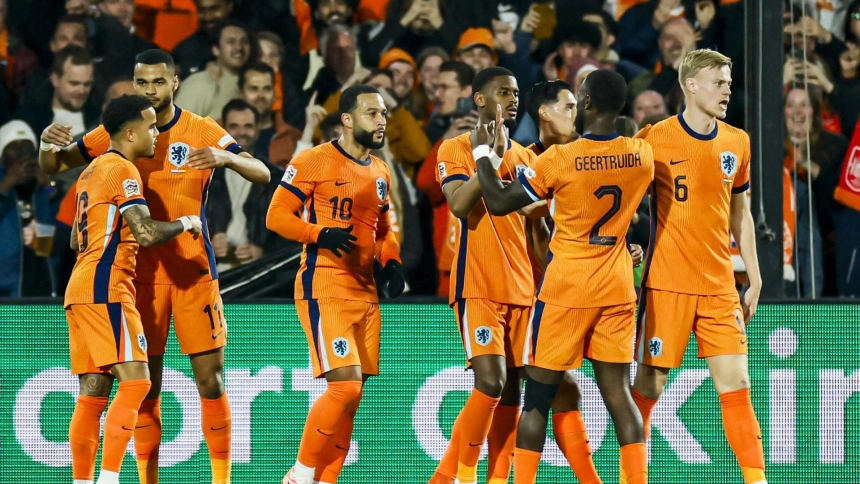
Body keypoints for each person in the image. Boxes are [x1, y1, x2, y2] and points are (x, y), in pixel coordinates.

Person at [38, 49, 270, 484]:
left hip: (193, 275)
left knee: (210, 382)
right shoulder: (120, 133)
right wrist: (48, 147)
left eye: (158, 83)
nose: (150, 90)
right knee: (145, 389)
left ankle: (221, 479)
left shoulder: (201, 130)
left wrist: (227, 158)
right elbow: (57, 164)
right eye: (142, 83)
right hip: (136, 278)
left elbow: (262, 172)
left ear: (175, 83)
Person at [472, 69, 653, 484]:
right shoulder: (641, 156)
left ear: (587, 102)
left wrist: (483, 155)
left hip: (567, 288)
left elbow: (499, 202)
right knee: (620, 398)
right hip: (619, 286)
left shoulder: (559, 158)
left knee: (536, 400)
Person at [630, 49, 766, 484]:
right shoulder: (654, 139)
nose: (727, 89)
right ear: (691, 85)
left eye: (729, 82)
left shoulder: (737, 142)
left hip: (719, 286)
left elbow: (740, 213)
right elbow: (626, 204)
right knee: (649, 388)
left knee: (737, 385)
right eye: (718, 81)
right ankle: (632, 477)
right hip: (666, 284)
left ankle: (756, 479)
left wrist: (754, 275)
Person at [266, 84, 405, 484]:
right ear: (346, 119)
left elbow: (385, 227)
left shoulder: (380, 170)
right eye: (371, 113)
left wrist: (391, 260)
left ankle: (326, 480)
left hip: (365, 289)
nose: (381, 121)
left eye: (383, 114)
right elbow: (276, 217)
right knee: (344, 387)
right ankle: (301, 474)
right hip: (323, 283)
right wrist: (318, 233)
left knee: (353, 397)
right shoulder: (312, 160)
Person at [64, 94, 202, 484]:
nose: (156, 132)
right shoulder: (123, 170)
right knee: (138, 381)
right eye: (150, 126)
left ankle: (83, 481)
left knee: (93, 393)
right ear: (129, 132)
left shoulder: (89, 172)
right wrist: (186, 222)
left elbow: (76, 240)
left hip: (80, 286)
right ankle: (110, 479)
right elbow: (145, 231)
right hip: (107, 286)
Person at [430, 67, 536, 484]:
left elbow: (535, 222)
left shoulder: (527, 156)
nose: (513, 99)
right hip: (477, 283)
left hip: (522, 286)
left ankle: (457, 478)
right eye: (503, 92)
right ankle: (465, 476)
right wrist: (486, 159)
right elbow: (458, 204)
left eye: (516, 93)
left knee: (509, 392)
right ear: (478, 99)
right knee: (490, 382)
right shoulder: (454, 148)